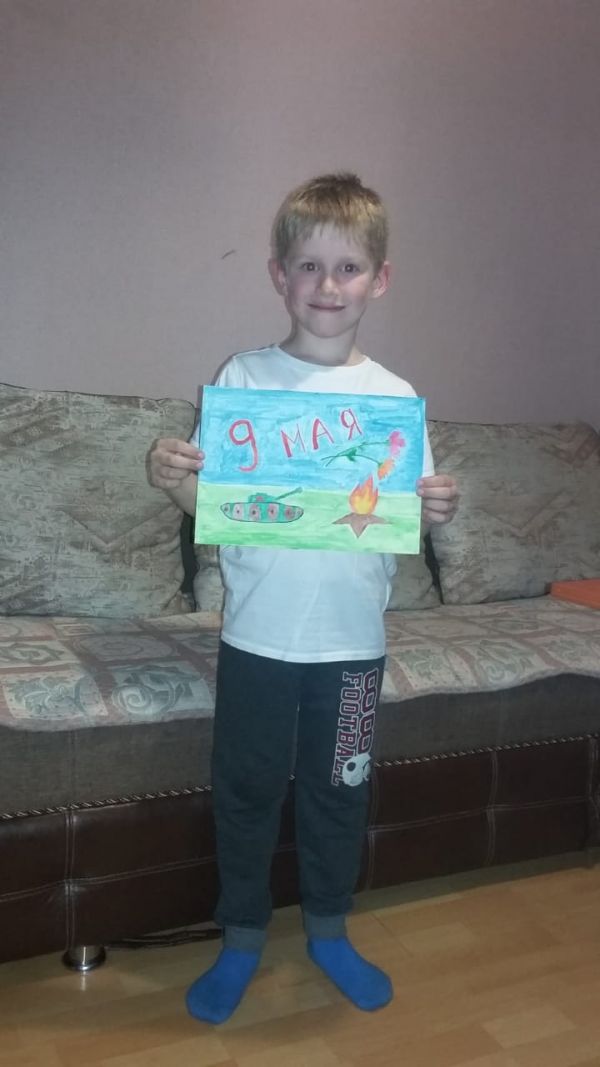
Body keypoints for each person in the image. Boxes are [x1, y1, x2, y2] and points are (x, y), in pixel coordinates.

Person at [148, 173, 459, 1024]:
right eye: (309, 265)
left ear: (380, 279)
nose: (328, 285)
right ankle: (242, 934)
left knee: (340, 789)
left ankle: (328, 928)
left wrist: (435, 508)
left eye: (349, 267)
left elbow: (406, 513)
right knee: (246, 788)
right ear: (278, 274)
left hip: (354, 651)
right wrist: (171, 479)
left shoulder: (394, 401)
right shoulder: (245, 378)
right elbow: (213, 507)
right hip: (258, 641)